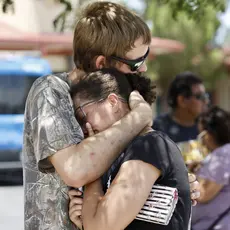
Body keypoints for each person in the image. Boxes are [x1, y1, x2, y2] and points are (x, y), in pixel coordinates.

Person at [23, 1, 200, 229]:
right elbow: (76, 170)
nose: (143, 69)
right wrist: (140, 117)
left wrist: (173, 183)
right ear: (101, 64)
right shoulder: (51, 91)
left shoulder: (114, 115)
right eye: (136, 62)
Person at [68, 68, 192, 230]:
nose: (83, 128)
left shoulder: (150, 145)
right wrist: (85, 215)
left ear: (112, 102)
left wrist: (92, 165)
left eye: (83, 116)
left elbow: (100, 227)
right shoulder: (120, 157)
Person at [191, 106, 230, 230]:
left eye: (201, 133)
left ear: (210, 133)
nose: (201, 139)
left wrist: (188, 176)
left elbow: (203, 194)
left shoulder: (222, 156)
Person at [153, 71, 209, 143]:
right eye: (200, 96)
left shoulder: (209, 128)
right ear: (182, 100)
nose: (206, 101)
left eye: (206, 95)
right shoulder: (159, 129)